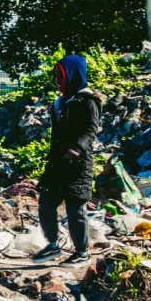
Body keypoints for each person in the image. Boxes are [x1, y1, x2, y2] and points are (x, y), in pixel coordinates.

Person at [32, 53, 101, 266]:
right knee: (46, 202)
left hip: (78, 164)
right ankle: (53, 245)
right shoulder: (59, 102)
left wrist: (77, 148)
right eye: (56, 77)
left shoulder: (88, 100)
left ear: (73, 75)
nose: (57, 81)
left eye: (61, 76)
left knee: (75, 209)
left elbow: (91, 130)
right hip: (58, 163)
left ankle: (82, 252)